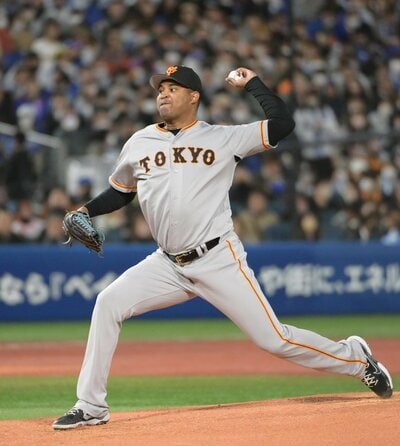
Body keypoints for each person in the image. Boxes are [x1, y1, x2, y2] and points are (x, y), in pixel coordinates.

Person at [52, 65, 393, 430]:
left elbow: (283, 124)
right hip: (167, 264)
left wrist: (253, 84)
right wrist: (86, 210)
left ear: (193, 96)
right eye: (160, 88)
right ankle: (91, 405)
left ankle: (357, 360)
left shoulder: (223, 138)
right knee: (108, 303)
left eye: (172, 88)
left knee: (274, 339)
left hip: (217, 258)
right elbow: (122, 192)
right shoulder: (139, 142)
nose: (163, 93)